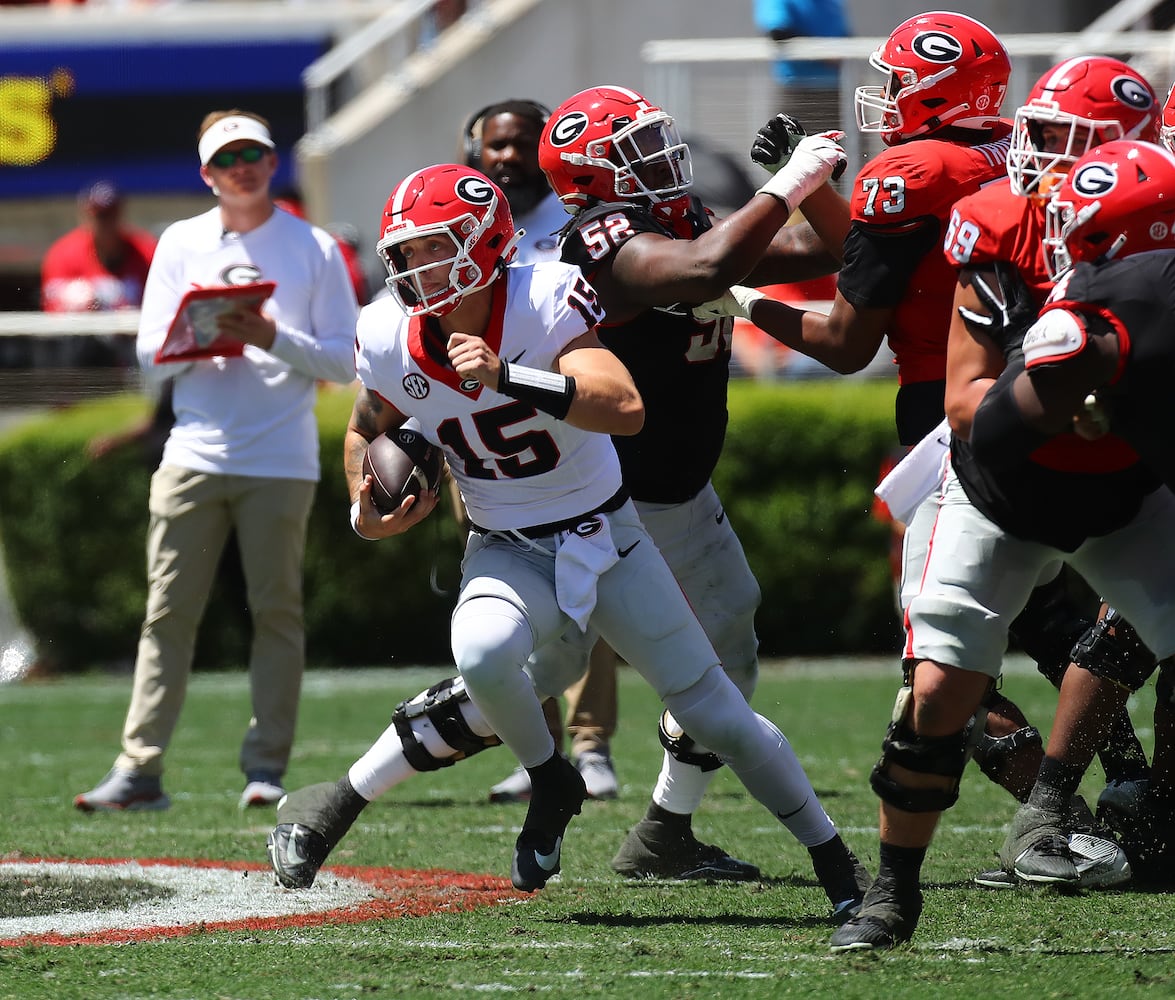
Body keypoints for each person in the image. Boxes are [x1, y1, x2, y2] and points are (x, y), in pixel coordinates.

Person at [268, 161, 869, 913]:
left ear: (485, 245)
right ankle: (552, 777)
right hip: (505, 544)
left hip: (604, 537)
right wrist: (365, 507)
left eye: (436, 247)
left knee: (717, 714)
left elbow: (622, 406)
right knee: (483, 657)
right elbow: (367, 427)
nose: (418, 267)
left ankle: (837, 867)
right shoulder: (387, 331)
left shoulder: (542, 296)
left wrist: (508, 378)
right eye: (408, 252)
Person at [74, 109, 358, 813]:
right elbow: (148, 354)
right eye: (227, 158)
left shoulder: (314, 245)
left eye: (253, 153)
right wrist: (200, 335)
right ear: (207, 174)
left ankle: (266, 770)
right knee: (168, 613)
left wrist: (268, 335)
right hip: (193, 451)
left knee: (276, 612)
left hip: (281, 457)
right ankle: (140, 771)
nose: (242, 166)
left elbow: (347, 357)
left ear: (271, 160)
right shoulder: (179, 242)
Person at [940, 55, 1161, 890]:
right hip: (1003, 456)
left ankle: (1138, 803)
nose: (1034, 152)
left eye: (1059, 137)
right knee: (946, 655)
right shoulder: (998, 216)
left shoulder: (1151, 224)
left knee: (1132, 627)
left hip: (1127, 463)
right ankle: (1064, 810)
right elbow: (968, 397)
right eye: (1036, 132)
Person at [463, 98, 623, 804]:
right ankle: (542, 747)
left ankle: (591, 747)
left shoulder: (575, 227)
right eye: (491, 146)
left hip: (568, 433)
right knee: (514, 606)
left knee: (590, 593)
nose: (503, 158)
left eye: (518, 144)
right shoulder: (462, 230)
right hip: (487, 442)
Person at [41, 179, 156, 314]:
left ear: (120, 214)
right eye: (99, 216)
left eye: (110, 215)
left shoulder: (147, 251)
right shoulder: (62, 254)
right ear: (84, 216)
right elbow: (52, 313)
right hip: (82, 332)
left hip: (134, 332)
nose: (105, 224)